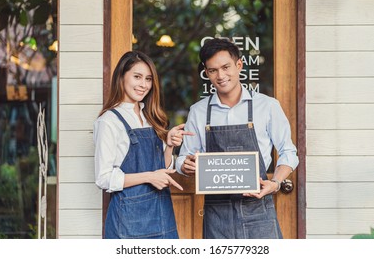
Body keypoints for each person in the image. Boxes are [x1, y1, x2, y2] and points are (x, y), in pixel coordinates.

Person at [175, 38, 299, 239]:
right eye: (213, 70)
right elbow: (183, 158)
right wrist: (185, 165)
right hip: (216, 214)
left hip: (259, 210)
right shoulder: (198, 112)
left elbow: (288, 152)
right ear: (206, 73)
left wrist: (275, 183)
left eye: (226, 67)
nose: (220, 75)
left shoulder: (267, 106)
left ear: (239, 65)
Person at [94, 51, 193, 239]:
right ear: (121, 77)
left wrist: (170, 145)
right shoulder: (108, 121)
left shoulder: (150, 118)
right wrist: (149, 177)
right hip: (128, 220)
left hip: (161, 214)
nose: (144, 85)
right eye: (137, 77)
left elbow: (161, 169)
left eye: (148, 79)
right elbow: (103, 178)